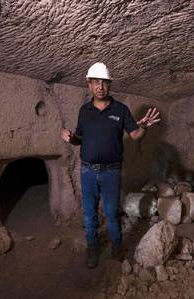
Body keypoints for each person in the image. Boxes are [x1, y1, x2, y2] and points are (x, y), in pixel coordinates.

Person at [61, 62, 160, 269]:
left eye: (104, 82)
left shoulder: (120, 110)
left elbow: (134, 135)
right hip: (87, 171)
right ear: (89, 85)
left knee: (112, 213)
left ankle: (116, 249)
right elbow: (80, 138)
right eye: (96, 82)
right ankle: (92, 250)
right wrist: (71, 138)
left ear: (109, 85)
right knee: (89, 215)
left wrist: (143, 127)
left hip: (111, 172)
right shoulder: (84, 111)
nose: (100, 86)